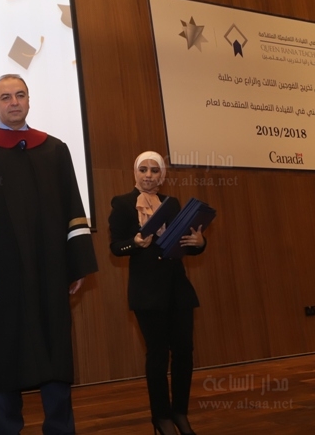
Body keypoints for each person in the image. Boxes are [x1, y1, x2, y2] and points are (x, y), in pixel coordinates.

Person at [0, 74, 98, 435]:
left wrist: (76, 263)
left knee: (55, 352)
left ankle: (60, 428)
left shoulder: (55, 149)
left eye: (20, 95)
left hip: (50, 270)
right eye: (6, 97)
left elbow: (73, 206)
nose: (14, 102)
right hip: (0, 273)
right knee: (4, 357)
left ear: (29, 100)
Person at [108, 151, 207, 435]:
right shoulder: (123, 203)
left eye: (154, 170)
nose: (149, 175)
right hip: (147, 293)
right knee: (158, 355)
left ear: (161, 175)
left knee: (184, 352)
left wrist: (199, 242)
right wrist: (135, 242)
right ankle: (161, 418)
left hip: (178, 290)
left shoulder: (171, 203)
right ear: (135, 172)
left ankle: (180, 413)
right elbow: (116, 247)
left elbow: (187, 244)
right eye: (143, 170)